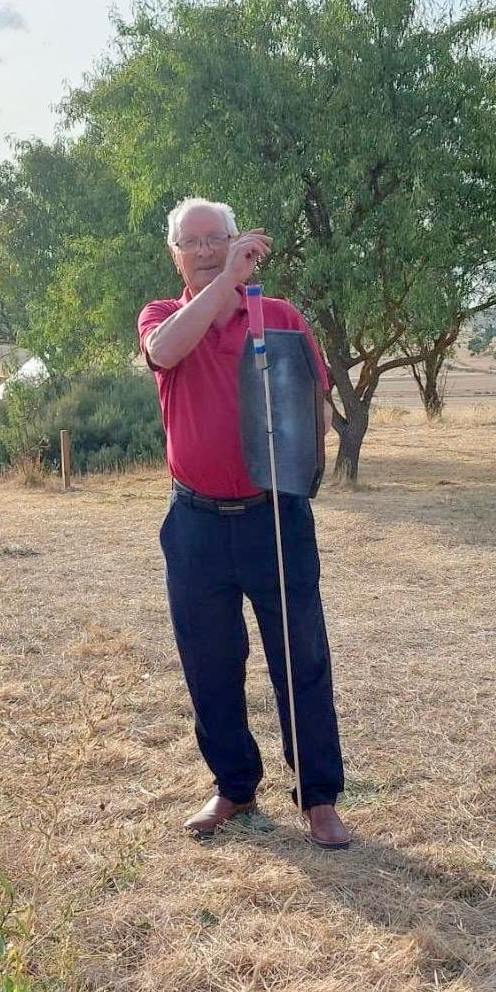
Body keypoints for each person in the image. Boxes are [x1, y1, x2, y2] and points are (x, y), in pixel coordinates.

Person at [138, 196, 350, 850]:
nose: (205, 250)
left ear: (237, 240)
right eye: (192, 242)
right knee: (210, 664)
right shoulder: (162, 317)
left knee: (301, 659)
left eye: (216, 239)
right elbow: (166, 352)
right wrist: (225, 281)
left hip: (274, 517)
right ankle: (233, 788)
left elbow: (310, 405)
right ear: (176, 254)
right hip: (195, 522)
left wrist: (301, 482)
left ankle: (317, 798)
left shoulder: (278, 317)